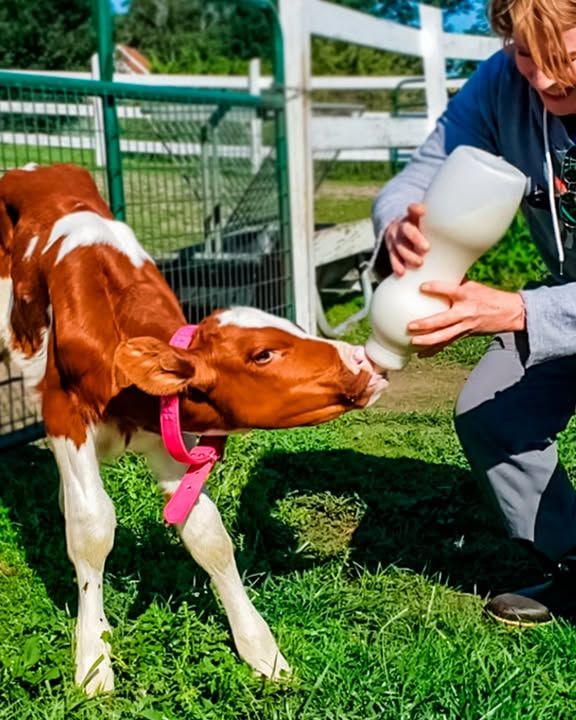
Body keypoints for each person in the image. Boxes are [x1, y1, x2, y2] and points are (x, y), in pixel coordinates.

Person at [371, 0, 576, 625]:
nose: (542, 80)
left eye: (564, 58)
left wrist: (517, 309)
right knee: (495, 415)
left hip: (549, 304)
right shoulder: (499, 83)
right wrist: (399, 228)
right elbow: (421, 177)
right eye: (524, 54)